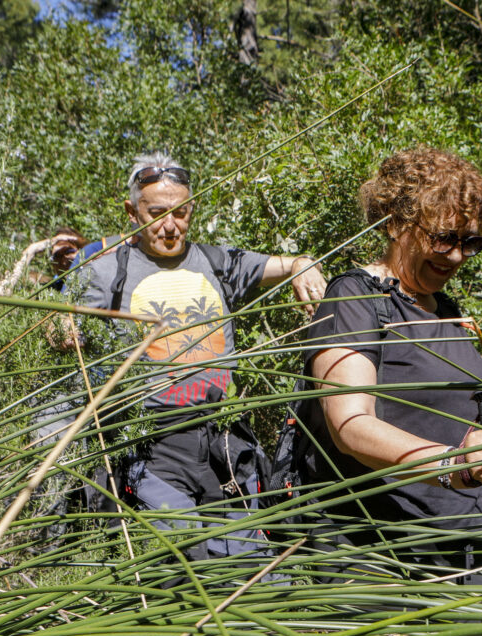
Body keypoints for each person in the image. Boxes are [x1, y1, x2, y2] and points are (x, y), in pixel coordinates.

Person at [68, 151, 327, 562]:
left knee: (250, 562)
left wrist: (302, 266)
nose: (171, 227)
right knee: (184, 554)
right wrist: (60, 329)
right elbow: (62, 322)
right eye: (157, 213)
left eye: (181, 213)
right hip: (152, 444)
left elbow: (279, 266)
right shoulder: (105, 274)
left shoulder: (213, 262)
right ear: (131, 212)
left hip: (222, 438)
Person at [298, 146, 482, 585]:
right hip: (375, 557)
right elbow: (350, 427)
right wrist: (458, 465)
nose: (456, 257)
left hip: (462, 551)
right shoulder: (356, 299)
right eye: (443, 237)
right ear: (395, 224)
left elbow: (445, 418)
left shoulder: (448, 310)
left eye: (471, 243)